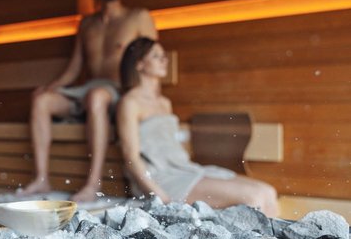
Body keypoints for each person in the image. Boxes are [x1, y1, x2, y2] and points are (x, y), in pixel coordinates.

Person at [20, 0, 157, 203]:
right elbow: (74, 67)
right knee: (41, 100)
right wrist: (52, 87)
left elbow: (151, 60)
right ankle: (42, 179)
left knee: (96, 97)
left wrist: (148, 98)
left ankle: (93, 184)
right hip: (88, 91)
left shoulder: (137, 17)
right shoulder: (87, 24)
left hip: (118, 91)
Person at [116, 37, 279, 216]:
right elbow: (130, 157)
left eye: (164, 55)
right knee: (253, 198)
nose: (164, 60)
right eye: (156, 56)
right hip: (161, 179)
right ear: (139, 64)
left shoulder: (164, 103)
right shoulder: (130, 103)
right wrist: (158, 196)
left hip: (184, 169)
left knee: (268, 192)